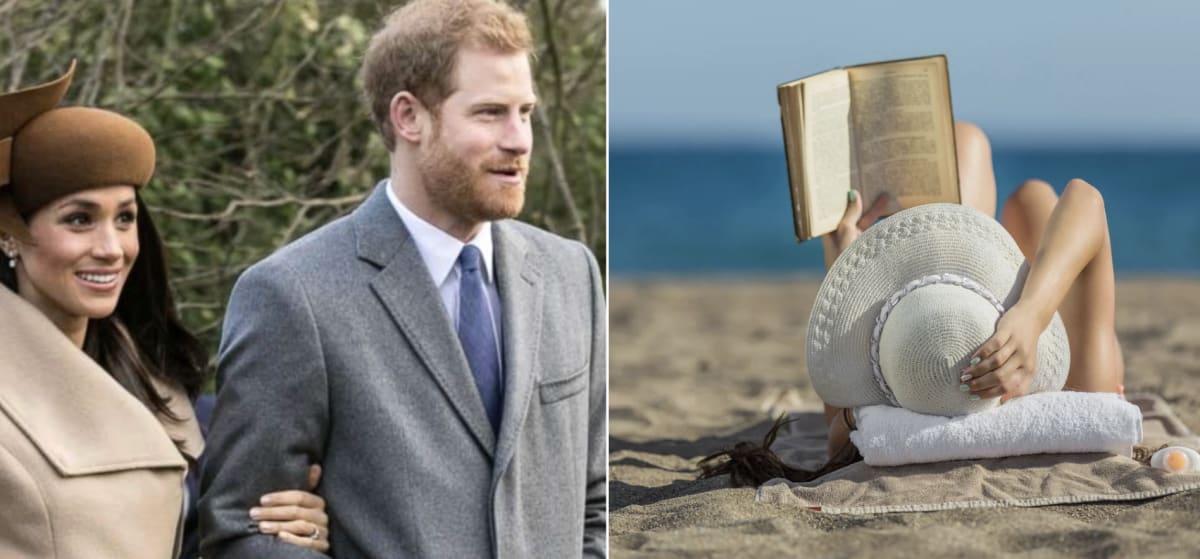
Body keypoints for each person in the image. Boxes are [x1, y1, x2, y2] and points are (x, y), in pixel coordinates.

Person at [198, 0, 607, 557]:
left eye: (526, 111)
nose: (519, 140)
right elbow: (239, 533)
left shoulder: (572, 273)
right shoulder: (292, 295)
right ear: (408, 117)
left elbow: (598, 498)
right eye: (490, 113)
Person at [0, 62, 330, 558]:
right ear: (9, 234)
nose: (112, 247)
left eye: (125, 218)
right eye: (79, 219)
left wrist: (291, 524)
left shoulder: (163, 389)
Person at [701, 122, 1126, 484]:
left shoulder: (862, 417)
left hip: (939, 323)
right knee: (1033, 199)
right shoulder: (1082, 390)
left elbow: (841, 405)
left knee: (967, 145)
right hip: (1004, 330)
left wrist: (845, 251)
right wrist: (1032, 315)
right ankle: (1009, 267)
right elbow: (1085, 198)